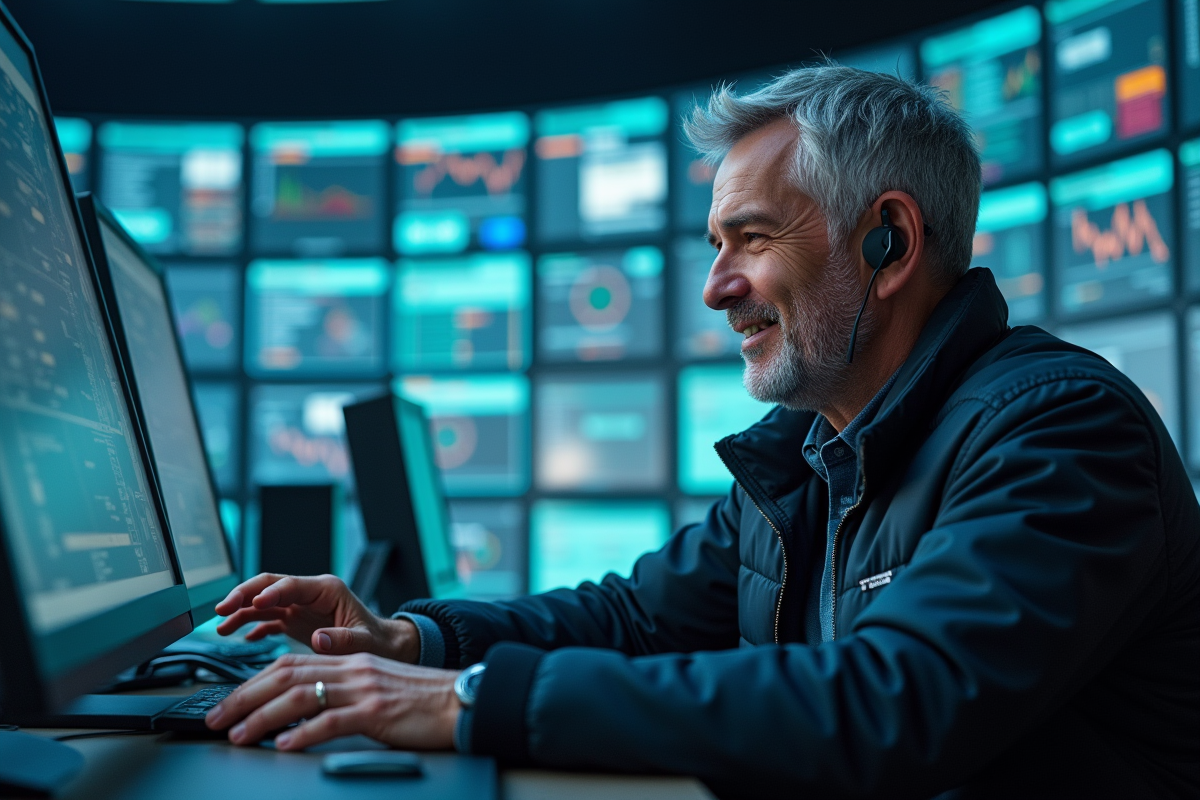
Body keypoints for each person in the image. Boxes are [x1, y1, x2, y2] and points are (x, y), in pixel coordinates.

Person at [204, 65, 1200, 798]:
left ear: (888, 241)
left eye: (752, 238)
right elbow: (637, 619)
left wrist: (468, 700)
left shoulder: (1057, 429)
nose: (717, 287)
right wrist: (414, 640)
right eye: (717, 245)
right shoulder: (810, 457)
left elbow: (888, 703)